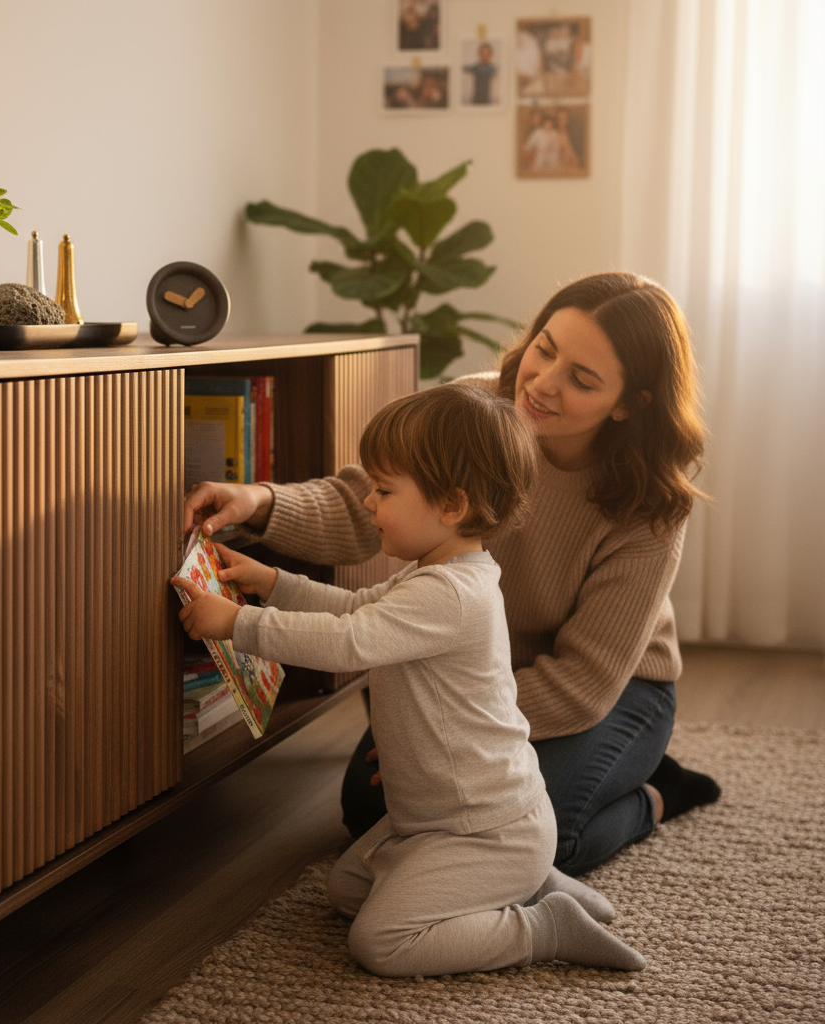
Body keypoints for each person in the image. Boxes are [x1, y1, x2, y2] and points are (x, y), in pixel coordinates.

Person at [183, 271, 721, 880]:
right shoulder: (480, 407)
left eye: (582, 378)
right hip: (459, 673)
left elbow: (584, 682)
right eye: (545, 348)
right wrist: (257, 501)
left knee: (545, 844)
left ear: (629, 404)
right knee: (371, 812)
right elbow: (366, 501)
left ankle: (655, 793)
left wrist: (456, 738)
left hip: (613, 692)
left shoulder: (650, 504)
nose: (540, 383)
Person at [172, 383, 645, 977]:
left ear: (451, 505)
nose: (368, 501)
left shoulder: (452, 594)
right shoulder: (436, 575)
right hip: (435, 821)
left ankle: (541, 925)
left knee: (382, 942)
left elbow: (350, 640)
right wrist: (275, 583)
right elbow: (353, 609)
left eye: (385, 489)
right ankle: (531, 881)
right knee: (346, 890)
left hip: (484, 829)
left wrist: (241, 623)